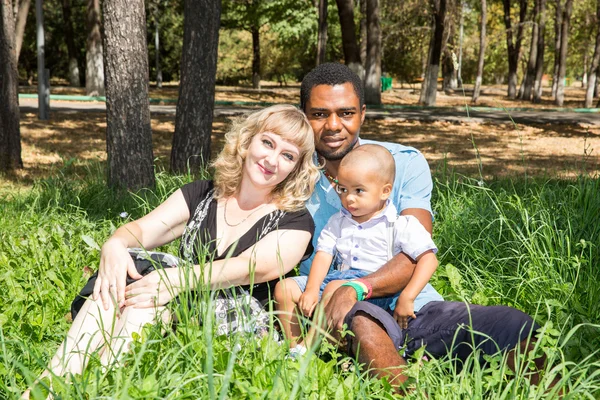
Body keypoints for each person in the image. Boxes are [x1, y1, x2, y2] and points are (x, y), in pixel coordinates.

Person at [24, 104, 320, 398]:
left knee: (149, 283)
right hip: (173, 303)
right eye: (267, 143)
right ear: (247, 141)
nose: (272, 159)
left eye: (287, 155)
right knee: (131, 282)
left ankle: (89, 387)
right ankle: (51, 384)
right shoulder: (202, 194)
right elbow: (142, 230)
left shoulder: (296, 220)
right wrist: (114, 243)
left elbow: (250, 267)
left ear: (296, 168)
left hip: (236, 323)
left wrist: (174, 281)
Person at [297, 63, 548, 390]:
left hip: (416, 304)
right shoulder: (290, 177)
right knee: (363, 321)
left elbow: (414, 254)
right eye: (319, 114)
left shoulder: (402, 163)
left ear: (362, 113)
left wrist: (358, 287)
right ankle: (411, 390)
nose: (333, 125)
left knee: (516, 325)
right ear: (303, 116)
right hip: (344, 311)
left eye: (345, 113)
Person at [275, 144, 439, 354]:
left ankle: (310, 349)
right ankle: (294, 346)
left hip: (376, 290)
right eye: (343, 189)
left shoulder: (400, 224)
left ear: (385, 191)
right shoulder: (339, 221)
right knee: (285, 287)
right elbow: (324, 255)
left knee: (336, 287)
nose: (348, 198)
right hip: (338, 278)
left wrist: (408, 295)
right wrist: (312, 289)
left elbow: (429, 259)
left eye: (358, 190)